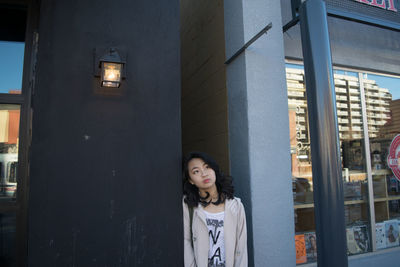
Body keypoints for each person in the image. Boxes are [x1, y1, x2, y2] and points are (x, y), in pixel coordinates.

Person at [182, 151, 247, 267]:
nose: (204, 174)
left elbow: (241, 248)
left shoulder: (236, 206)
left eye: (207, 167)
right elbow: (186, 242)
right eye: (196, 171)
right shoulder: (189, 206)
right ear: (191, 180)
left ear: (214, 170)